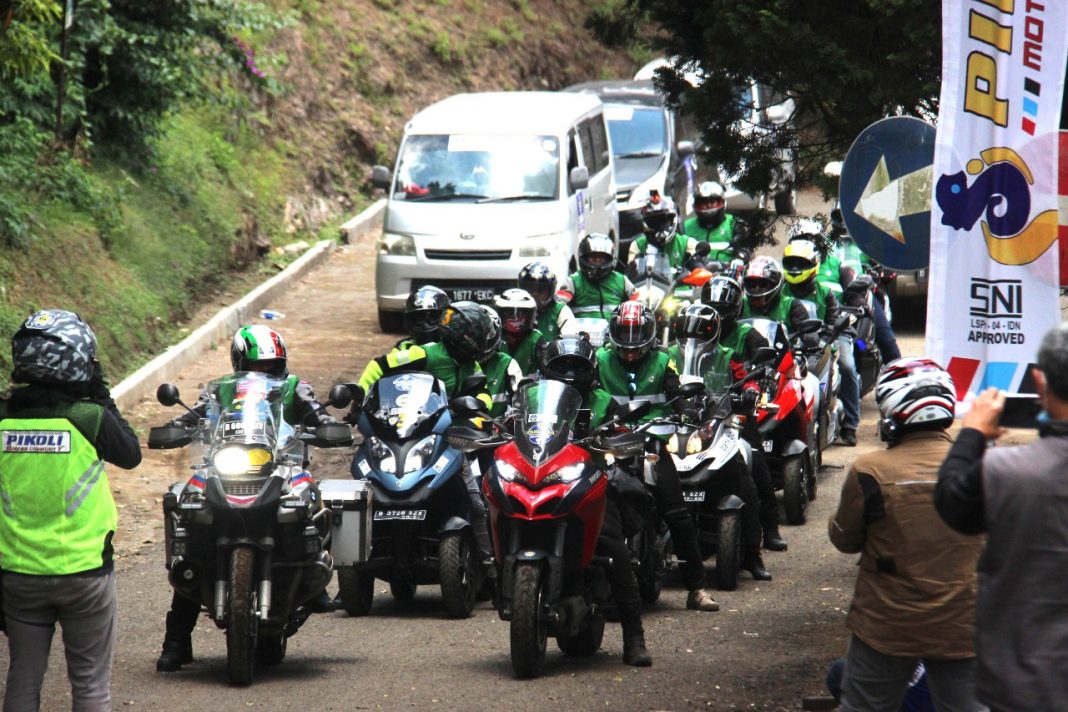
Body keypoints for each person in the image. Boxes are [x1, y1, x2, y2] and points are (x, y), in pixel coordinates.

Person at [156, 324, 338, 672]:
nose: (264, 371)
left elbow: (318, 413)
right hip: (225, 464)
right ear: (240, 363)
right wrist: (176, 427)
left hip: (281, 464)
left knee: (310, 500)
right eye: (257, 365)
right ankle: (176, 641)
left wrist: (327, 425)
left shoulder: (296, 387)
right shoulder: (220, 389)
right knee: (192, 527)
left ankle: (312, 577)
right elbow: (193, 414)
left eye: (271, 365)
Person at [0, 309, 142, 710]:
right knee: (90, 685)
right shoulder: (88, 418)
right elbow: (130, 454)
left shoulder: (3, 418)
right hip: (85, 574)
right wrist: (101, 393)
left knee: (22, 679)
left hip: (19, 575)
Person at [830, 357, 984, 712]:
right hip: (962, 620)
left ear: (892, 413)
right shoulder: (983, 465)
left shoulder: (869, 470)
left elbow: (845, 540)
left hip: (887, 622)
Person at [935, 322, 1068, 710]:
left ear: (1039, 382)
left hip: (1023, 681)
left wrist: (972, 434)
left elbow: (951, 503)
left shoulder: (1003, 471)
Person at [595, 301, 721, 611]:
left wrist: (687, 410)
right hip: (609, 443)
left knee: (677, 512)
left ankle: (696, 588)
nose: (630, 352)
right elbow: (585, 392)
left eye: (636, 345)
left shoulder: (664, 361)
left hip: (651, 443)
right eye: (624, 344)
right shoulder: (599, 360)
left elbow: (677, 394)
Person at [354, 301, 497, 572]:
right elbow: (378, 366)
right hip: (406, 432)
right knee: (358, 494)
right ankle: (355, 556)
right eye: (479, 337)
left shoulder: (471, 365)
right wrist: (360, 397)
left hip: (447, 439)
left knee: (477, 502)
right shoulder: (424, 353)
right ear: (464, 336)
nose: (483, 344)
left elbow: (482, 394)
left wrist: (476, 410)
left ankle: (488, 565)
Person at [538, 337, 651, 666]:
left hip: (589, 481)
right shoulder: (535, 399)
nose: (570, 374)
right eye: (562, 367)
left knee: (614, 548)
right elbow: (514, 423)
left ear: (591, 370)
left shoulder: (603, 402)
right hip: (541, 479)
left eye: (578, 367)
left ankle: (634, 638)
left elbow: (620, 431)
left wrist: (614, 438)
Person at [667, 303, 777, 577]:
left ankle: (753, 553)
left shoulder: (728, 356)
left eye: (700, 333)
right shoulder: (666, 356)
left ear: (714, 332)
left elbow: (746, 379)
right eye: (686, 332)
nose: (693, 339)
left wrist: (750, 391)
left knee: (749, 470)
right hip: (674, 425)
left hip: (719, 422)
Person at [702, 275, 788, 553]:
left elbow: (767, 363)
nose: (717, 315)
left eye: (722, 310)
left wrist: (754, 387)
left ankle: (770, 529)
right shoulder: (698, 333)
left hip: (736, 410)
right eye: (712, 309)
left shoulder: (746, 335)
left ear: (735, 310)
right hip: (699, 411)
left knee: (756, 465)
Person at [782, 235, 860, 446]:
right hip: (791, 341)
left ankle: (850, 424)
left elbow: (834, 319)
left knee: (847, 366)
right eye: (792, 263)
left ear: (814, 265)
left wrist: (827, 336)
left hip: (827, 339)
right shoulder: (779, 291)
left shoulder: (826, 292)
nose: (796, 268)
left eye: (801, 263)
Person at [820, 213, 902, 362]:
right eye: (840, 216)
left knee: (886, 342)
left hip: (861, 296)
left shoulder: (869, 242)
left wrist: (884, 270)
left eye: (847, 216)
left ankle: (891, 367)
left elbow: (887, 263)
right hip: (831, 298)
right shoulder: (824, 244)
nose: (844, 221)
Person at [557, 234, 637, 320]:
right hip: (581, 328)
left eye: (601, 258)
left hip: (615, 327)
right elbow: (557, 307)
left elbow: (640, 304)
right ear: (584, 257)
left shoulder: (621, 280)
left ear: (609, 258)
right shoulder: (572, 281)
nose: (597, 260)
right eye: (593, 257)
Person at [627, 192, 698, 270]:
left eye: (664, 221)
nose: (660, 227)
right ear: (646, 223)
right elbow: (631, 273)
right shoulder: (638, 245)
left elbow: (699, 269)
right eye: (654, 221)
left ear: (673, 220)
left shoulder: (687, 243)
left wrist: (695, 264)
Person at [475, 304, 523, 418]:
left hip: (495, 426)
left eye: (486, 334)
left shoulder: (507, 363)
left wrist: (510, 419)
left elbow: (523, 400)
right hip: (456, 426)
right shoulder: (452, 360)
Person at [739, 255, 809, 332]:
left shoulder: (791, 306)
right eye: (752, 285)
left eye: (763, 284)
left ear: (776, 283)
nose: (757, 289)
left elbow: (807, 331)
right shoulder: (740, 304)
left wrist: (808, 334)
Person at [682, 181, 746, 263]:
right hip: (694, 269)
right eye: (703, 202)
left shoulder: (734, 223)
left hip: (728, 269)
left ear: (722, 202)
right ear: (695, 204)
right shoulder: (686, 226)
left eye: (712, 202)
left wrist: (742, 256)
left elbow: (746, 249)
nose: (708, 206)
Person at [493, 288, 545, 377]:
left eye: (521, 314)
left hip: (528, 385)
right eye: (510, 314)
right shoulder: (494, 337)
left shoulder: (536, 338)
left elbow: (546, 369)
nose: (515, 318)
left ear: (529, 316)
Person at [518, 261, 574, 341]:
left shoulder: (561, 310)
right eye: (530, 289)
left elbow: (571, 340)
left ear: (550, 291)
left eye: (541, 289)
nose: (535, 294)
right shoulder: (512, 310)